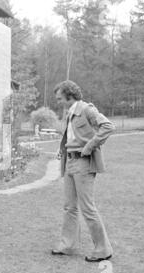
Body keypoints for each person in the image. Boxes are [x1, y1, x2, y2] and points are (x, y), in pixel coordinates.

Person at [52, 80, 114, 263]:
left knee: (87, 208)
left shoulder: (86, 109)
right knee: (69, 207)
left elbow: (108, 126)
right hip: (70, 162)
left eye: (60, 98)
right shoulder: (69, 113)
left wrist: (90, 145)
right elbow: (72, 136)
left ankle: (103, 250)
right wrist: (63, 149)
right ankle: (68, 245)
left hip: (84, 164)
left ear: (69, 96)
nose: (58, 102)